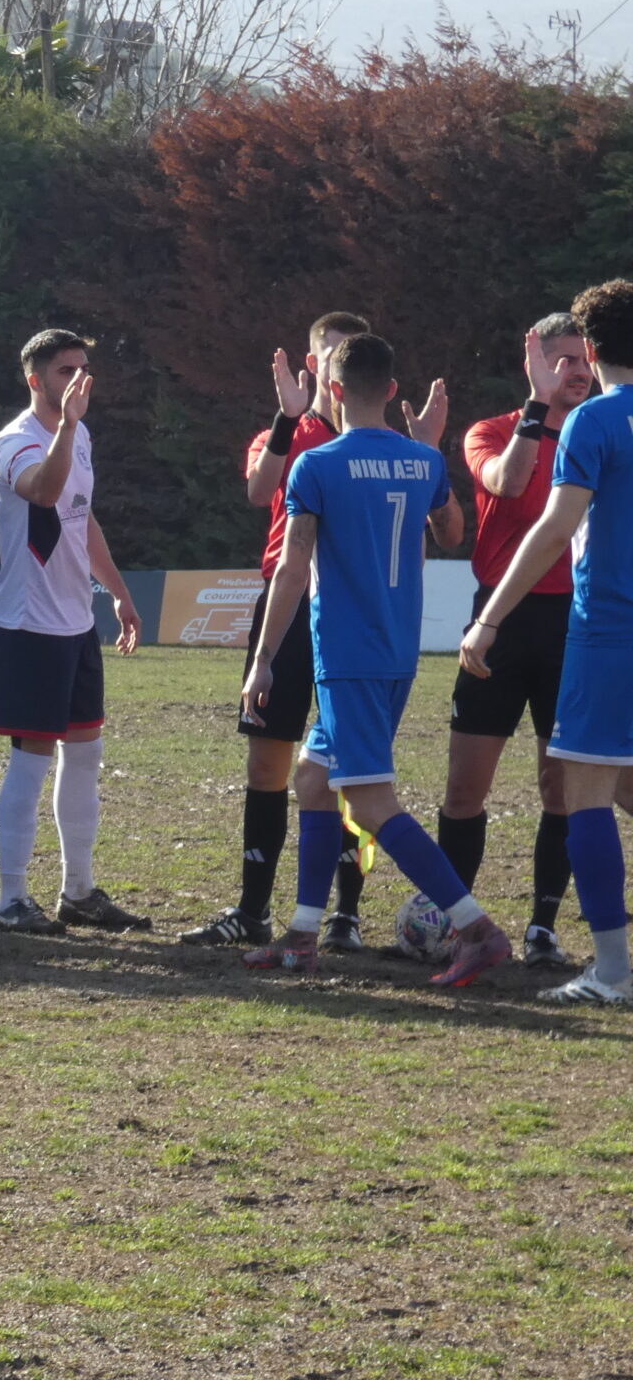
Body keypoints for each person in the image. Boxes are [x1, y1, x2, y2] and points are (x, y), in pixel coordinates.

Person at [246, 332, 507, 984]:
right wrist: (428, 444)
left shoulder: (318, 465)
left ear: (332, 390)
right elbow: (451, 534)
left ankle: (475, 929)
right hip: (395, 652)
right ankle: (305, 933)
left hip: (347, 654)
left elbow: (293, 564)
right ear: (392, 390)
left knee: (369, 803)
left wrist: (264, 657)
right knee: (312, 782)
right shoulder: (423, 462)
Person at [461, 279, 633, 1004]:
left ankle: (613, 972)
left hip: (608, 630)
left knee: (584, 790)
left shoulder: (594, 421)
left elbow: (555, 528)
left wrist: (489, 617)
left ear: (590, 350)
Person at [183, 311, 374, 948]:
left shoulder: (376, 439)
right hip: (285, 604)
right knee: (267, 762)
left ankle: (346, 915)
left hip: (347, 604)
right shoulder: (287, 431)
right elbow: (259, 491)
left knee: (346, 763)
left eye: (348, 352)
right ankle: (253, 910)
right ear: (311, 362)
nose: (333, 363)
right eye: (326, 352)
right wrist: (288, 420)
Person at [436, 315, 595, 968]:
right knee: (464, 790)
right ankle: (460, 923)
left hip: (577, 627)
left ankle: (543, 928)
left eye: (584, 361)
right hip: (498, 622)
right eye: (562, 361)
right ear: (534, 365)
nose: (577, 372)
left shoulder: (608, 433)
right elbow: (505, 481)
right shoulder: (493, 430)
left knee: (564, 788)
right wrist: (537, 405)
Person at [0, 329, 150, 935]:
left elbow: (81, 520)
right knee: (30, 763)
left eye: (83, 367)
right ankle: (10, 900)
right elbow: (45, 493)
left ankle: (77, 892)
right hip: (29, 626)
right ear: (35, 380)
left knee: (85, 756)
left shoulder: (79, 437)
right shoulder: (17, 442)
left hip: (76, 624)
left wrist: (120, 594)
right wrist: (68, 428)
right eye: (63, 370)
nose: (78, 379)